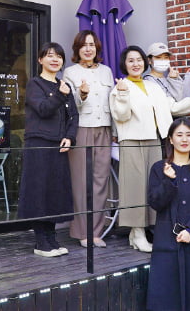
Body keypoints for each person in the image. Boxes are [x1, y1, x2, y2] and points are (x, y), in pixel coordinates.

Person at [110, 45, 190, 253]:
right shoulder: (120, 86)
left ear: (145, 62)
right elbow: (121, 116)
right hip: (132, 140)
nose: (136, 64)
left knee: (153, 186)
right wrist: (124, 94)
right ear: (124, 65)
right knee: (134, 187)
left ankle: (147, 229)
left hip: (155, 140)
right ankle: (136, 232)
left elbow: (172, 108)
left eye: (139, 60)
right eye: (130, 60)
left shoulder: (152, 87)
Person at [146, 118, 190, 311]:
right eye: (179, 135)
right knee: (165, 298)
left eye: (188, 135)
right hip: (166, 243)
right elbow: (155, 203)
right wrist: (168, 181)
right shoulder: (159, 169)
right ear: (170, 139)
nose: (184, 139)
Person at [18, 42, 78, 257]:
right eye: (49, 55)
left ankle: (52, 238)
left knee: (54, 192)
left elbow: (74, 116)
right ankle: (40, 241)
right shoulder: (35, 84)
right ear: (40, 60)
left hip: (59, 146)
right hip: (39, 144)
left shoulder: (64, 85)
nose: (55, 60)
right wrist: (59, 95)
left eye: (59, 56)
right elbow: (43, 109)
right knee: (39, 192)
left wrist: (70, 137)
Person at [63, 31, 114, 248]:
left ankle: (96, 233)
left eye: (91, 45)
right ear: (77, 49)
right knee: (81, 182)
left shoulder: (107, 71)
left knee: (101, 181)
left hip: (104, 129)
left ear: (97, 48)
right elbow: (69, 106)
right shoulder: (70, 72)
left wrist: (116, 132)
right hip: (81, 129)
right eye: (83, 45)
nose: (88, 49)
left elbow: (113, 103)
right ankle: (82, 232)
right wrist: (82, 94)